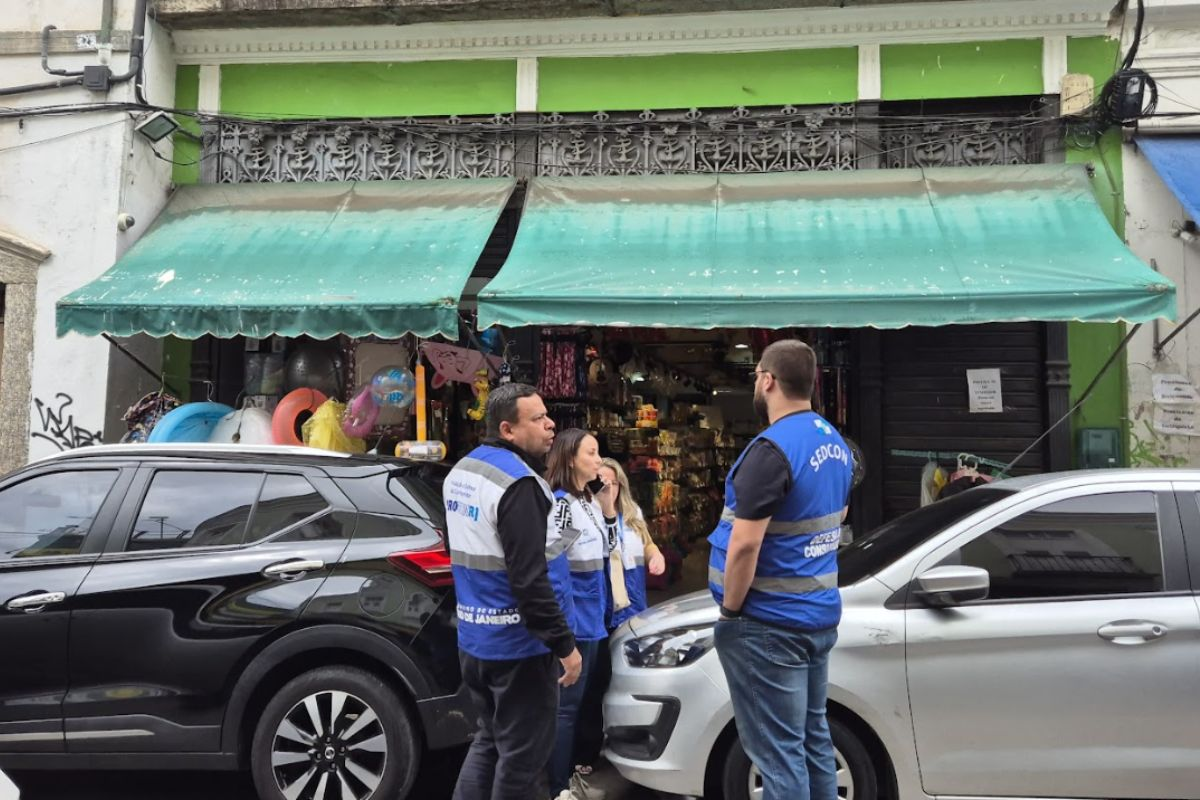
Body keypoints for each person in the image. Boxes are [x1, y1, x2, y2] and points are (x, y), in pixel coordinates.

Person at [708, 340, 854, 800]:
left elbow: (745, 544)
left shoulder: (771, 450)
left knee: (778, 754)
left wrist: (730, 612)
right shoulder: (834, 443)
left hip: (768, 623)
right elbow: (839, 515)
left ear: (768, 380)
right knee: (812, 741)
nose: (756, 382)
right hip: (815, 616)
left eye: (756, 375)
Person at [445, 383, 583, 800]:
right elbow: (530, 578)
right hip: (518, 647)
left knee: (489, 742)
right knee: (522, 760)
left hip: (475, 639)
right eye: (538, 419)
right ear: (507, 429)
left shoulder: (463, 471)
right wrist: (564, 645)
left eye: (547, 415)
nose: (550, 425)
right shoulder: (519, 484)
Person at [544, 429, 617, 798]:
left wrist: (608, 506)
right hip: (577, 623)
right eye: (591, 452)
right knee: (567, 709)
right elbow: (554, 568)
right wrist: (565, 631)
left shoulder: (587, 501)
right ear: (570, 459)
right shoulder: (563, 506)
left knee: (586, 700)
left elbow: (610, 549)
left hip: (595, 618)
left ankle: (571, 771)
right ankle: (557, 786)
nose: (599, 460)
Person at [599, 457, 666, 628]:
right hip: (603, 606)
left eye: (614, 483)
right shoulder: (587, 515)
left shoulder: (632, 512)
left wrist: (656, 556)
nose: (609, 488)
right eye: (603, 483)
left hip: (634, 601)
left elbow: (647, 544)